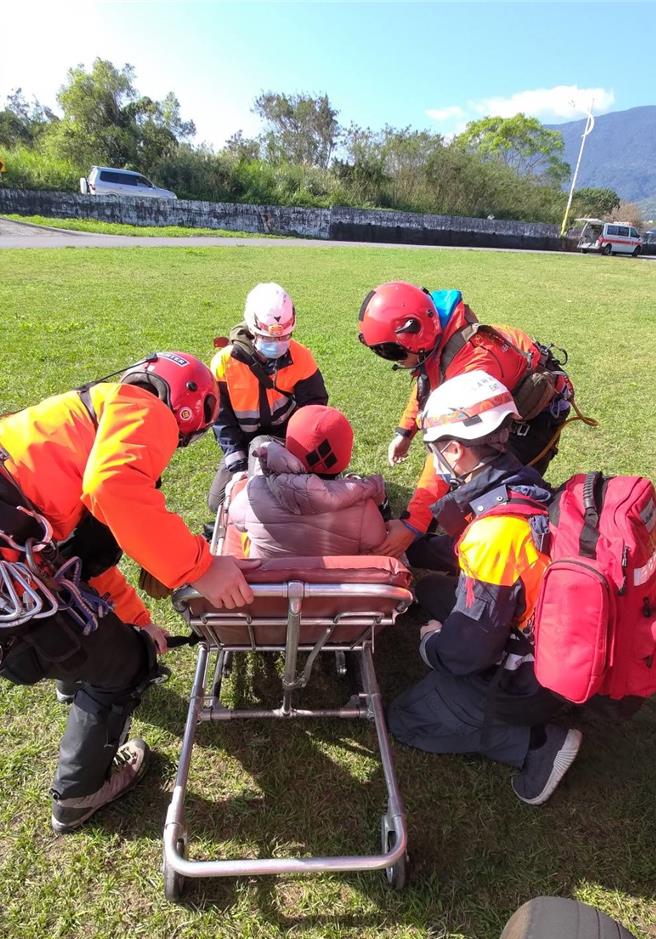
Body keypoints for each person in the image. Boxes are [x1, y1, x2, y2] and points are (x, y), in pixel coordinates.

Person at [0, 352, 259, 834]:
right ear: (186, 414)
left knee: (112, 633)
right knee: (128, 663)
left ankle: (74, 675)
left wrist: (138, 620)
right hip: (8, 569)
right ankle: (79, 794)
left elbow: (82, 563)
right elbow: (115, 487)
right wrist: (200, 567)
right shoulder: (145, 409)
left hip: (14, 550)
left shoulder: (77, 424)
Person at [387, 370, 582, 805]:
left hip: (530, 674)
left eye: (435, 449)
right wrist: (412, 550)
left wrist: (432, 644)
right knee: (435, 591)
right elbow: (477, 554)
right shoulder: (520, 484)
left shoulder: (493, 535)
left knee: (405, 719)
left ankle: (537, 745)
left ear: (454, 449)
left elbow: (466, 652)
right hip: (554, 630)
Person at [357, 282, 577, 566]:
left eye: (391, 352)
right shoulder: (437, 338)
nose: (393, 361)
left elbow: (450, 448)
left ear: (416, 334)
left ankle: (492, 558)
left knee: (496, 494)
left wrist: (414, 524)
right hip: (499, 404)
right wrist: (405, 431)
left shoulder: (473, 364)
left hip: (533, 420)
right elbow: (428, 381)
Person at [208, 282, 328, 514]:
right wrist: (238, 465)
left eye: (285, 336)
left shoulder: (301, 357)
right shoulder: (224, 363)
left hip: (285, 440)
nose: (278, 344)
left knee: (297, 495)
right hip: (243, 443)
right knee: (218, 502)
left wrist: (299, 453)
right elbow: (222, 421)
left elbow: (313, 408)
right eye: (268, 337)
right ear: (253, 330)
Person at [228, 405, 387, 558]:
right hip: (332, 584)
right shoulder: (364, 508)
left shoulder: (254, 491)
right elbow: (377, 542)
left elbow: (237, 521)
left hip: (268, 581)